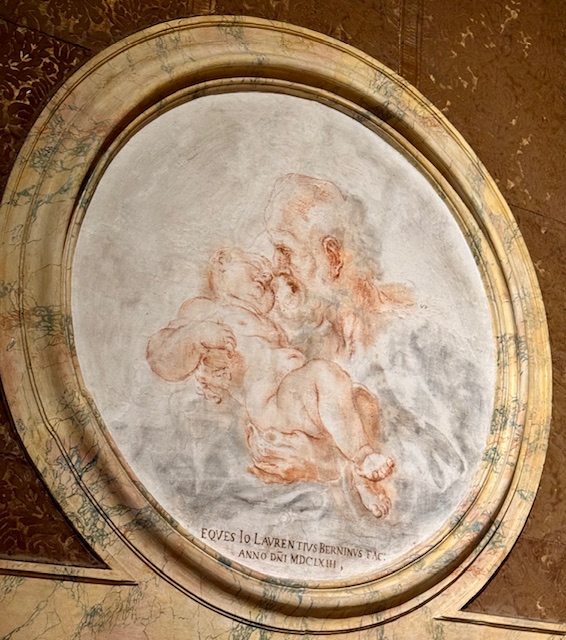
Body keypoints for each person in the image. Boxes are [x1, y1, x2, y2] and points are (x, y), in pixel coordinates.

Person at [146, 247, 395, 518]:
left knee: (358, 402)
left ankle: (359, 476)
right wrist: (197, 335)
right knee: (325, 374)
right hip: (273, 403)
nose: (264, 278)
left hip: (299, 398)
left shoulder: (265, 322)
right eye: (256, 270)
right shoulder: (205, 310)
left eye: (267, 284)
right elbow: (161, 359)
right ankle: (362, 456)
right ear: (222, 261)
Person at [264, 173, 413, 361]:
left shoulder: (403, 335)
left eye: (285, 251)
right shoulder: (306, 346)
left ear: (333, 257)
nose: (277, 266)